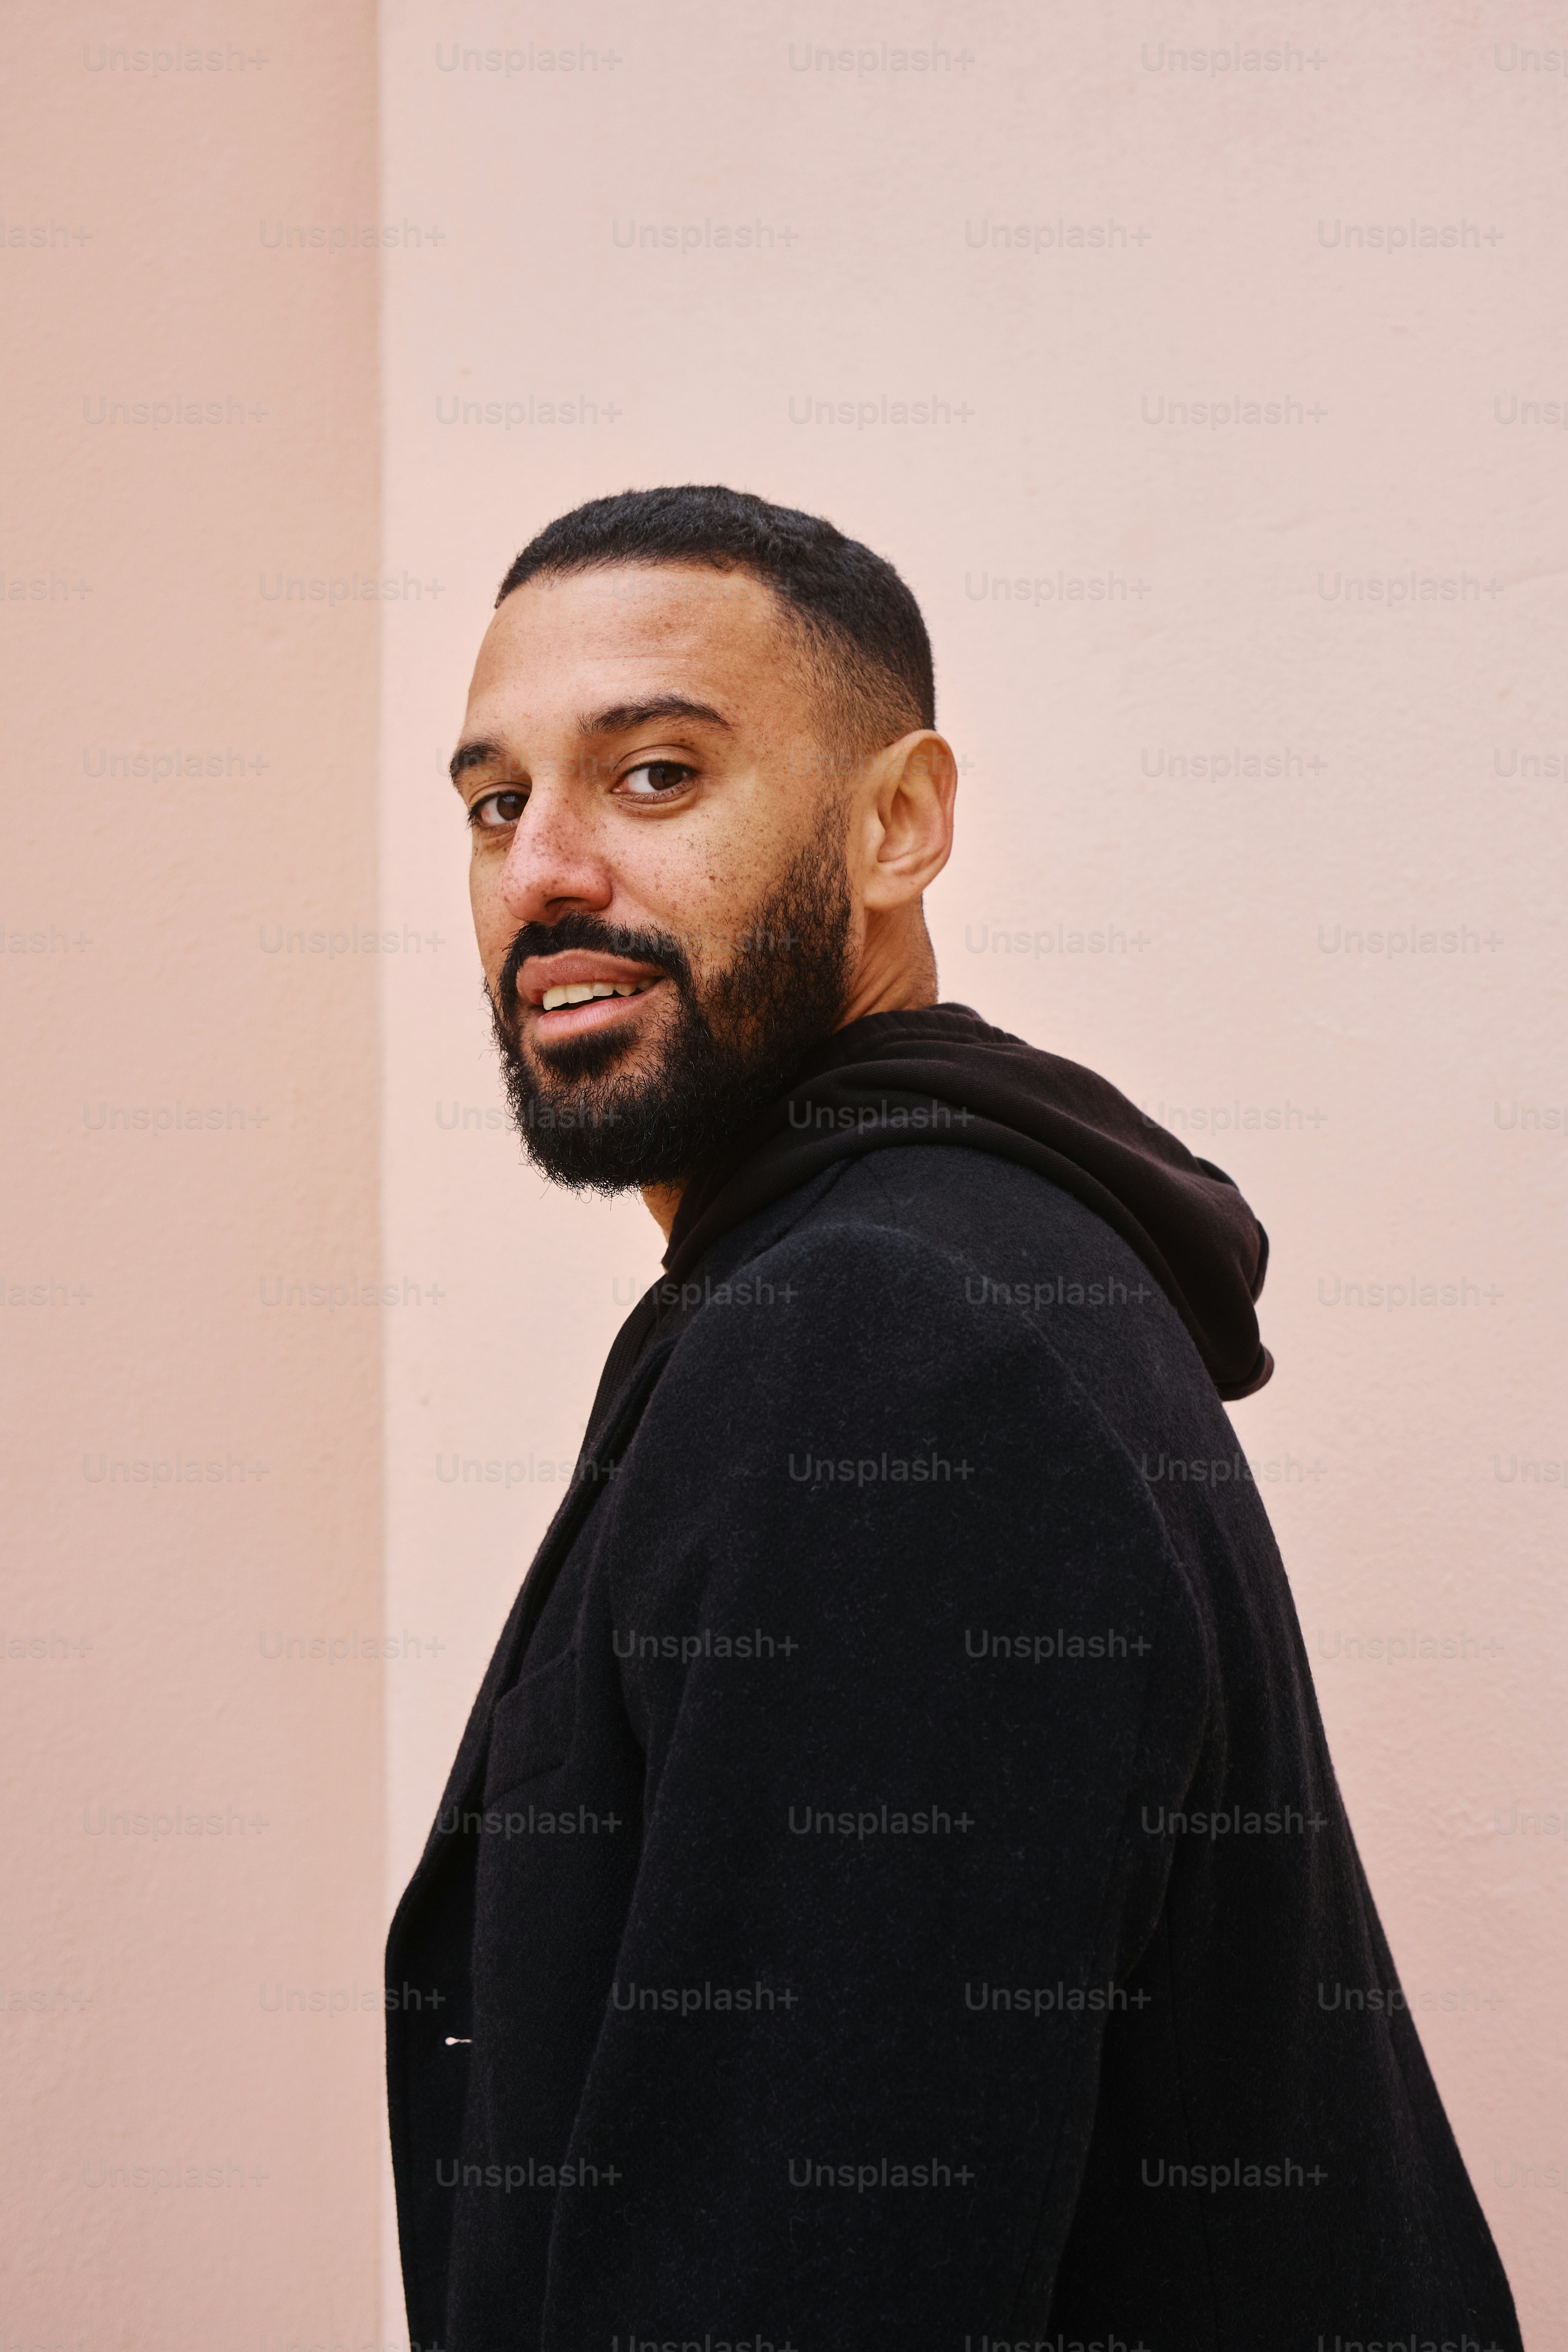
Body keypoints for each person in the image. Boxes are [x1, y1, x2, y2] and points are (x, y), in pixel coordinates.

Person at [385, 485, 1520, 2352]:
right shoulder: (906, 1266)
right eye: (495, 802)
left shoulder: (885, 1337)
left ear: (894, 821)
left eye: (653, 776)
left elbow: (810, 2276)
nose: (542, 871)